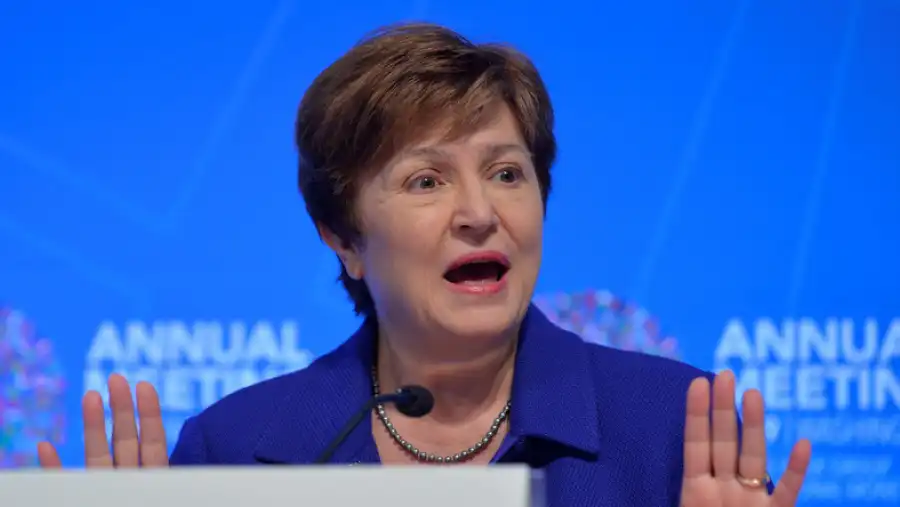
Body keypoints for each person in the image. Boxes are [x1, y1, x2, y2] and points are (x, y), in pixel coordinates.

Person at [36, 22, 812, 506]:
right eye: (426, 181)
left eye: (506, 172)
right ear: (343, 238)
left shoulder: (671, 428)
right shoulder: (235, 449)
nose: (479, 211)